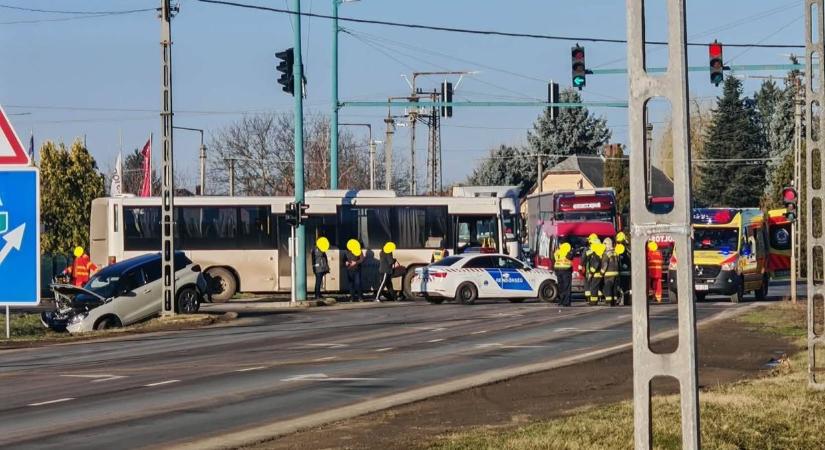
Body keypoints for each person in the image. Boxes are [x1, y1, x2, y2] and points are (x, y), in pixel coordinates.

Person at [582, 234, 600, 305]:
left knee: (593, 287)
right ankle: (592, 300)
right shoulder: (596, 249)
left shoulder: (593, 250)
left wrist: (591, 272)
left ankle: (593, 301)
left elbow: (596, 262)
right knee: (594, 287)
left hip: (595, 272)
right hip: (595, 271)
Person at [553, 241, 573, 306]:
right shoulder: (568, 249)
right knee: (567, 286)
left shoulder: (558, 250)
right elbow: (571, 257)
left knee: (560, 286)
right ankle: (566, 302)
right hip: (566, 269)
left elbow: (555, 257)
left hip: (558, 269)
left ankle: (561, 301)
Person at [601, 239, 620, 306]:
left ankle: (608, 302)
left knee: (608, 288)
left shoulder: (606, 254)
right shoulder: (615, 252)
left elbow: (605, 264)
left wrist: (602, 272)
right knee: (614, 288)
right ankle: (614, 301)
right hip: (616, 273)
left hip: (608, 274)